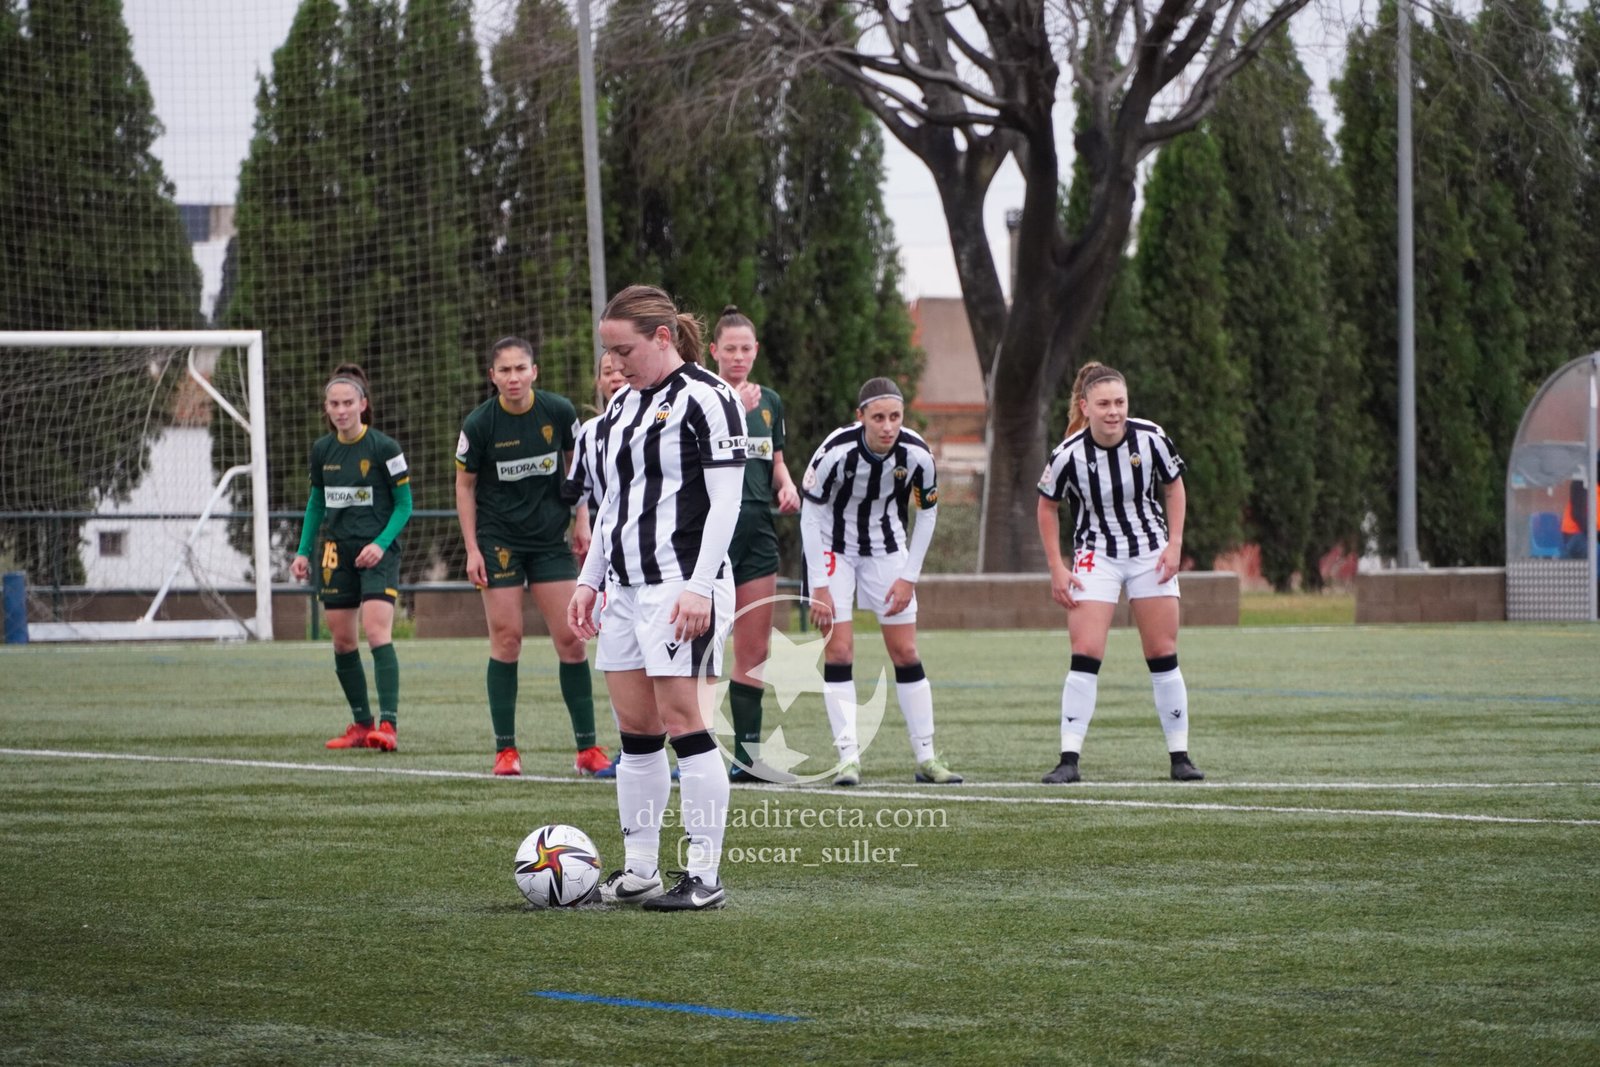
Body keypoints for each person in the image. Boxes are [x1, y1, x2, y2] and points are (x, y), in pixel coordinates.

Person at [567, 284, 747, 911]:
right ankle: (640, 870)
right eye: (609, 353)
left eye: (625, 350)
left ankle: (703, 876)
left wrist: (699, 587)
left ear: (662, 337)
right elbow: (612, 506)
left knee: (684, 725)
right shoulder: (620, 409)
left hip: (681, 584)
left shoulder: (709, 398)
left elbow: (727, 500)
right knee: (637, 734)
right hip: (624, 589)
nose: (616, 365)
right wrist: (590, 579)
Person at [1035, 361, 1204, 784]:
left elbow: (1174, 487)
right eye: (1104, 404)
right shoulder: (1068, 454)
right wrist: (1057, 567)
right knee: (1086, 651)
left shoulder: (1150, 437)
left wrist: (1175, 544)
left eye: (1120, 402)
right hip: (1096, 555)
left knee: (1162, 652)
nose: (1113, 411)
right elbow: (1047, 507)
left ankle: (1180, 757)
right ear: (1085, 407)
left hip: (1149, 552)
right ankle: (1068, 760)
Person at [455, 336, 607, 777]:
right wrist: (471, 549)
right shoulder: (480, 424)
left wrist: (582, 519)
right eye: (504, 370)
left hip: (550, 540)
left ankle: (587, 749)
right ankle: (505, 750)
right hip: (498, 541)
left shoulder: (558, 411)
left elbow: (577, 467)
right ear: (492, 377)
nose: (514, 377)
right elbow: (464, 487)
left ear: (534, 371)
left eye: (521, 368)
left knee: (572, 639)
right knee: (508, 639)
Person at [799, 377, 962, 787]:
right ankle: (847, 758)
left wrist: (909, 577)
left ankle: (927, 757)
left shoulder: (917, 454)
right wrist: (819, 584)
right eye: (878, 418)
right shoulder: (835, 451)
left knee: (905, 650)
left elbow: (927, 514)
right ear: (861, 417)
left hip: (887, 550)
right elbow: (810, 514)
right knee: (839, 651)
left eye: (895, 417)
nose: (888, 426)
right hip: (833, 550)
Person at [290, 364, 412, 752]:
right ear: (326, 408)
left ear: (363, 404)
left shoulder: (385, 448)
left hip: (377, 552)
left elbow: (405, 505)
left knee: (376, 632)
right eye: (334, 404)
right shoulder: (322, 451)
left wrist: (380, 544)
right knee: (343, 641)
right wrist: (303, 551)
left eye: (347, 403)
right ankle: (361, 725)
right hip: (335, 552)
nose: (341, 410)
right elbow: (316, 503)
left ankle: (388, 725)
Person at [708, 306, 801, 782]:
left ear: (756, 351)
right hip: (711, 537)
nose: (738, 356)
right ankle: (694, 754)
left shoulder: (771, 402)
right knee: (699, 651)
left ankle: (746, 759)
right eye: (730, 349)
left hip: (758, 533)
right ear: (713, 351)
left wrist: (787, 484)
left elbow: (774, 459)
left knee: (754, 650)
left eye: (746, 348)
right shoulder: (703, 398)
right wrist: (735, 411)